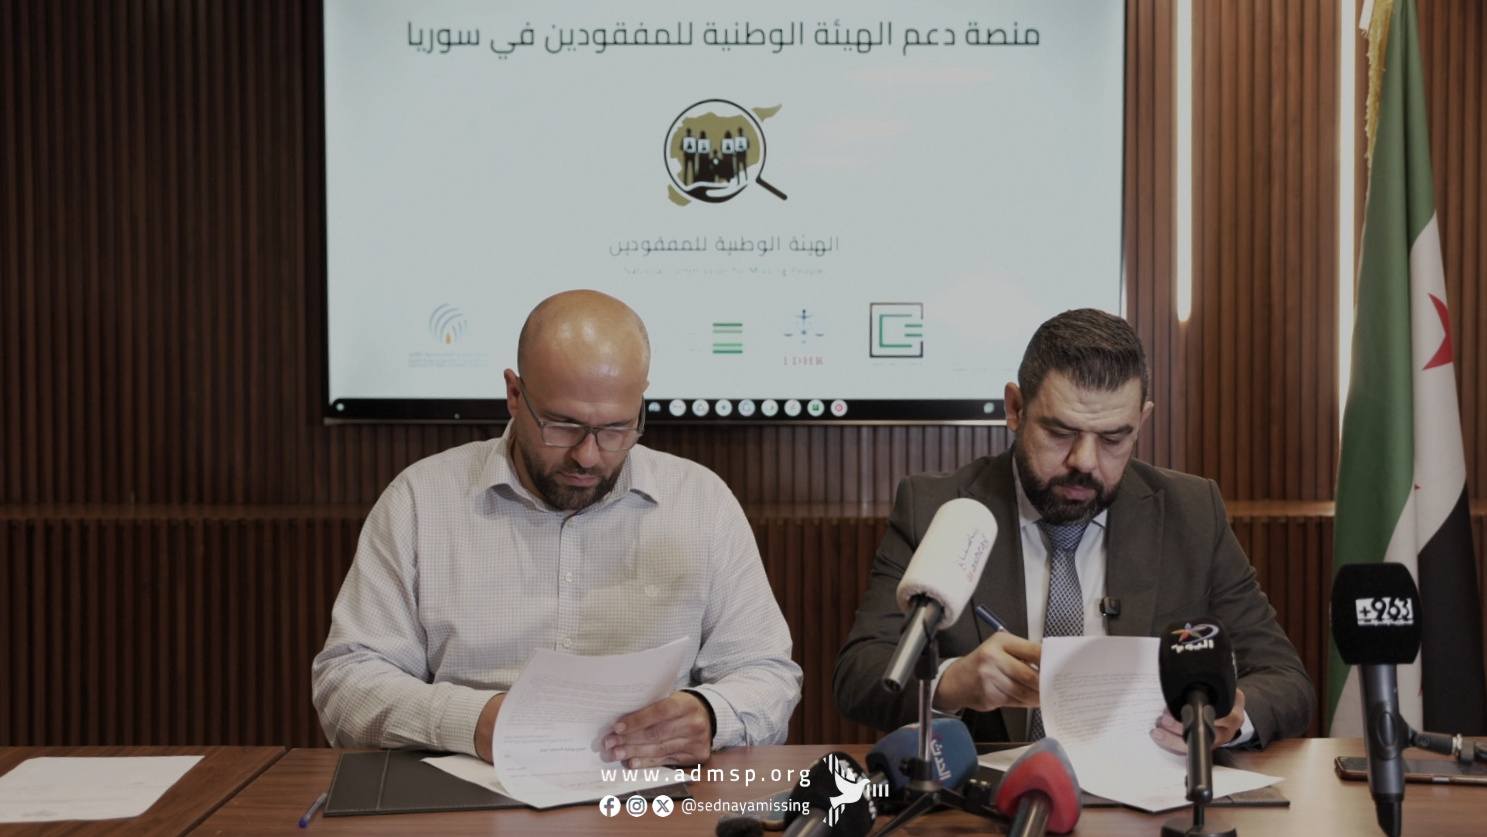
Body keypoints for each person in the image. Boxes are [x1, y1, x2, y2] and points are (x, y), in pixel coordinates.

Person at [313, 290, 801, 767]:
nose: (587, 456)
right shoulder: (422, 501)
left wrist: (711, 716)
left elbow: (767, 674)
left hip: (653, 792)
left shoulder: (701, 503)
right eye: (562, 426)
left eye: (615, 429)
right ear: (514, 394)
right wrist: (472, 722)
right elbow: (346, 683)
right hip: (465, 788)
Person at [833, 308, 1313, 750]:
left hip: (1149, 791)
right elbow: (860, 676)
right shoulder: (939, 509)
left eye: (1113, 438)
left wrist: (1232, 717)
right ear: (1015, 408)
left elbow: (1284, 678)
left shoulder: (1191, 512)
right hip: (990, 796)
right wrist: (952, 683)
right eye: (1060, 433)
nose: (1084, 461)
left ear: (1141, 421)